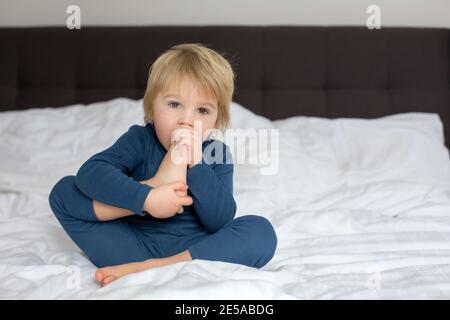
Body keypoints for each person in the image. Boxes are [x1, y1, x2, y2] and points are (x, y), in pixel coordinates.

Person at [48, 43, 277, 287]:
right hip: (132, 244)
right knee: (64, 191)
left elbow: (219, 220)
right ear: (152, 109)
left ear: (216, 120)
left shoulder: (215, 152)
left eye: (202, 110)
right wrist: (149, 196)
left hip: (196, 249)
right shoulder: (139, 140)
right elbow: (91, 174)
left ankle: (149, 269)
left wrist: (197, 165)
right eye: (174, 105)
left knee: (260, 231)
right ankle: (153, 259)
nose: (186, 120)